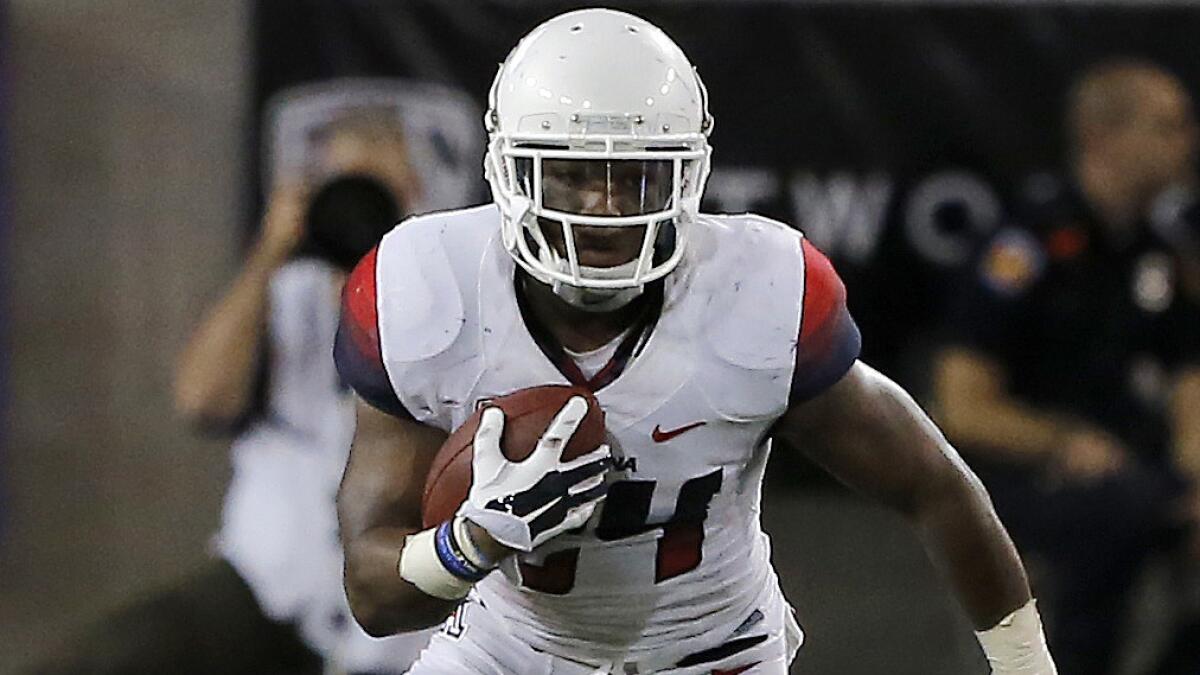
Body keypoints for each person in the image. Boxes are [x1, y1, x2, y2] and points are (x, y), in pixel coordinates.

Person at [334, 9, 1056, 674]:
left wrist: (1027, 666)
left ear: (690, 176)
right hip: (508, 649)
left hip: (713, 651)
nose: (606, 207)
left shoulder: (756, 292)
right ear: (507, 170)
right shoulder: (429, 291)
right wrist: (470, 544)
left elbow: (936, 485)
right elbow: (372, 595)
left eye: (636, 176)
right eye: (574, 173)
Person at [33, 110, 431, 675]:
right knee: (106, 657)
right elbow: (201, 399)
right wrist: (270, 251)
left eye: (378, 188)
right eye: (342, 188)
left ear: (414, 191)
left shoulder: (452, 306)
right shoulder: (283, 295)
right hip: (264, 592)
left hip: (396, 629)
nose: (358, 208)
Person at [933, 59, 1200, 675]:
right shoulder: (1025, 245)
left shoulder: (1158, 252)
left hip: (1134, 465)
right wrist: (1062, 440)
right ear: (1105, 138)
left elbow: (1187, 372)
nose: (1186, 141)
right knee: (1115, 510)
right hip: (1026, 475)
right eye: (1168, 126)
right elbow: (962, 405)